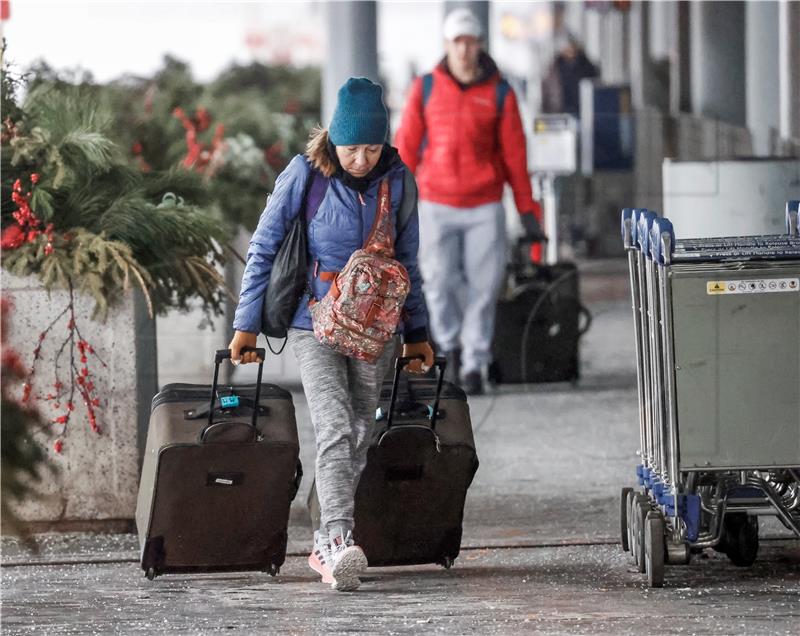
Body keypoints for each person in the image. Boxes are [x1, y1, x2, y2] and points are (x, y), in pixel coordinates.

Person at [228, 77, 434, 592]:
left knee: (361, 430)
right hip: (311, 321)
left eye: (370, 147)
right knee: (335, 426)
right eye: (350, 148)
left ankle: (326, 519)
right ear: (332, 140)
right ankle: (334, 542)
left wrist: (418, 334)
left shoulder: (399, 182)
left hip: (375, 331)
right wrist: (245, 325)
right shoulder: (305, 175)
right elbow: (263, 248)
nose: (360, 159)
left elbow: (408, 263)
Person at [395, 7, 544, 396]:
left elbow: (515, 157)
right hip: (436, 202)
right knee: (439, 281)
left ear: (479, 45)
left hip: (484, 204)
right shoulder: (425, 88)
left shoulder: (499, 92)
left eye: (470, 42)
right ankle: (450, 348)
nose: (463, 50)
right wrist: (391, 202)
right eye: (457, 42)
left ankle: (475, 363)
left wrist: (528, 210)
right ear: (447, 45)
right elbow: (406, 149)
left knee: (484, 286)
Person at [541, 33, 599, 116]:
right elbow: (546, 91)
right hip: (560, 111)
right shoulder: (553, 68)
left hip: (583, 111)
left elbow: (595, 88)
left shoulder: (588, 66)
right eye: (567, 47)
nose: (570, 50)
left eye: (572, 46)